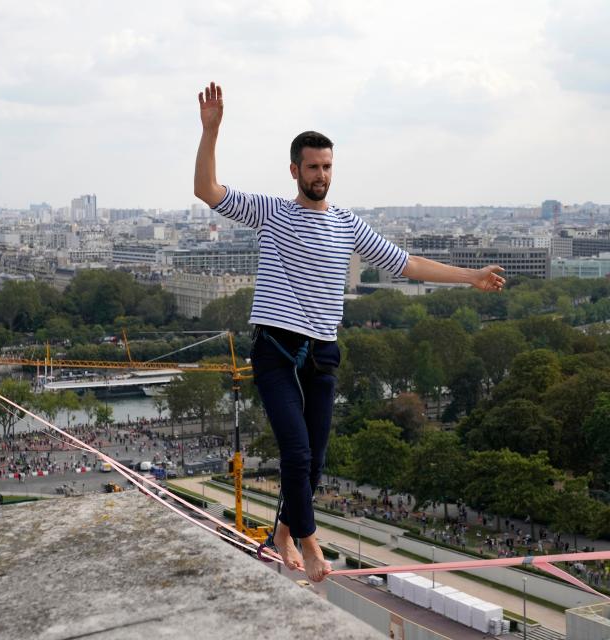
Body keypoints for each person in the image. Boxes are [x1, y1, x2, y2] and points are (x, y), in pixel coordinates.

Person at [193, 81, 505, 582]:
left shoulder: (347, 225)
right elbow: (207, 191)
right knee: (294, 451)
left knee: (314, 463)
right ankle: (310, 542)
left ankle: (283, 534)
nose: (322, 175)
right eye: (313, 167)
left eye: (328, 167)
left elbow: (408, 265)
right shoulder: (273, 213)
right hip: (275, 348)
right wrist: (210, 132)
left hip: (322, 354)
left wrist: (469, 277)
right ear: (294, 170)